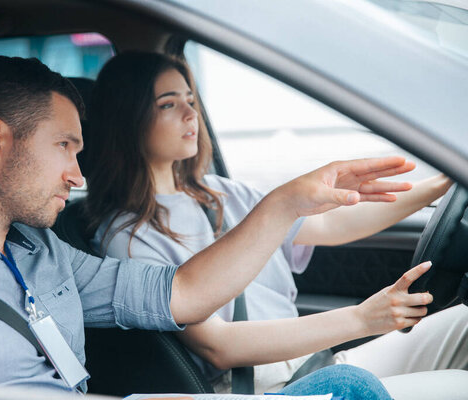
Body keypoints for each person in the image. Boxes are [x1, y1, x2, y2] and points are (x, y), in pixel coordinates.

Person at [0, 55, 414, 399]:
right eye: (64, 146)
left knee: (348, 385)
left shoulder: (43, 252)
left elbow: (183, 292)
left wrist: (287, 202)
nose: (77, 173)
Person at [85, 52, 468, 397]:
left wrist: (447, 180)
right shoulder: (128, 236)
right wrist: (362, 318)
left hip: (311, 363)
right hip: (261, 388)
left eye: (190, 100)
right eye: (168, 104)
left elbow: (336, 226)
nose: (190, 114)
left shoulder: (220, 193)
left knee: (464, 323)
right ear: (128, 118)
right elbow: (220, 347)